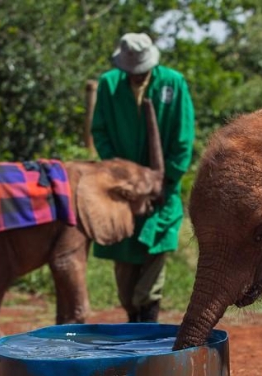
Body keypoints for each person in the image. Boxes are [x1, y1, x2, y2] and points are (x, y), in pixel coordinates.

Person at [90, 32, 195, 323]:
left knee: (152, 266)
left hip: (162, 192)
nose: (137, 76)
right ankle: (134, 316)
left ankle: (146, 326)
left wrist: (165, 181)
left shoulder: (172, 83)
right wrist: (120, 176)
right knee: (125, 281)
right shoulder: (109, 84)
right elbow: (100, 132)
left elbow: (184, 139)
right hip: (121, 192)